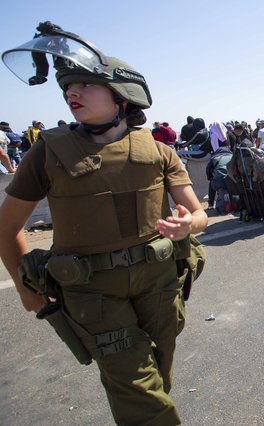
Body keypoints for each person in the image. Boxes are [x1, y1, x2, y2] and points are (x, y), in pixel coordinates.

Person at [0, 22, 208, 424]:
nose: (71, 93)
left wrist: (190, 225)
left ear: (121, 96)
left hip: (159, 285)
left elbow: (197, 212)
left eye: (84, 85)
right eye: (66, 88)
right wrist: (28, 290)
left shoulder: (159, 151)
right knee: (135, 384)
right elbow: (6, 227)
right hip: (92, 294)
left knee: (156, 376)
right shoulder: (47, 152)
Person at [206, 139, 233, 214]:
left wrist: (211, 178)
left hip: (219, 182)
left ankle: (211, 204)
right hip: (232, 182)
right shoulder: (232, 156)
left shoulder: (214, 158)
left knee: (211, 183)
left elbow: (208, 173)